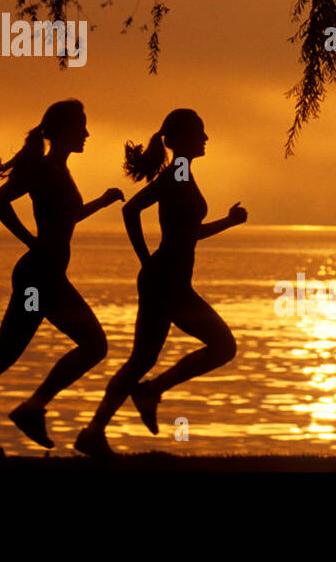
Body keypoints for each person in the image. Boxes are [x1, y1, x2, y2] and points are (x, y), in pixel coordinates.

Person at [0, 99, 123, 457]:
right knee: (94, 345)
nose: (87, 133)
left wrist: (102, 202)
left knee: (2, 356)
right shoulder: (46, 169)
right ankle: (30, 409)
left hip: (42, 274)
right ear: (63, 130)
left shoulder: (58, 170)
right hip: (40, 276)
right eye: (82, 126)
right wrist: (30, 240)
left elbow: (66, 217)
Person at [74, 109, 246, 456]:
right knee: (221, 346)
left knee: (143, 359)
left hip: (171, 282)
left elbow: (188, 233)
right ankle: (142, 396)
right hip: (165, 282)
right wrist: (145, 259)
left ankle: (100, 427)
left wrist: (227, 223)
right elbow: (130, 209)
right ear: (180, 139)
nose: (206, 138)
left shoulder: (183, 175)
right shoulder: (176, 177)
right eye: (200, 132)